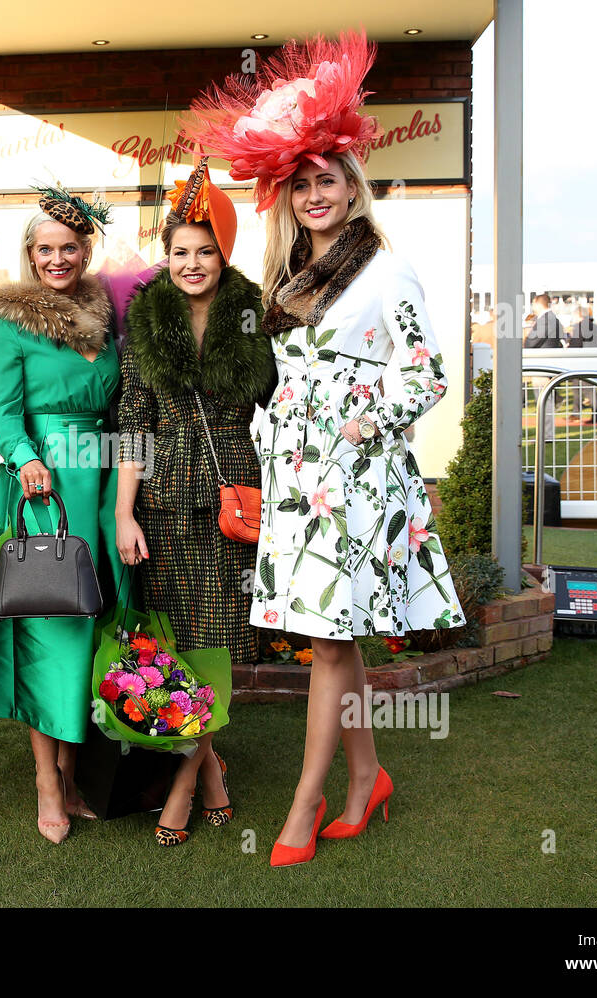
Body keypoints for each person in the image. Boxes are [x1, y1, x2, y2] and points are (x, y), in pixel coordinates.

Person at [186, 30, 464, 866]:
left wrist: (363, 418)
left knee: (330, 638)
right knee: (328, 633)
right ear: (288, 193)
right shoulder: (284, 275)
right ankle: (366, 776)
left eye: (328, 180)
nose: (315, 195)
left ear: (352, 183)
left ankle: (307, 802)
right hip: (297, 473)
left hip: (356, 474)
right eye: (301, 184)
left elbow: (428, 374)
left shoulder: (385, 270)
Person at [115, 160, 274, 846]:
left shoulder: (254, 313)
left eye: (205, 250)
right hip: (161, 499)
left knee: (218, 645)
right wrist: (123, 513)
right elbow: (132, 423)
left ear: (223, 252)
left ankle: (183, 787)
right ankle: (209, 775)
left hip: (231, 496)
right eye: (180, 251)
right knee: (177, 645)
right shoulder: (146, 318)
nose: (191, 263)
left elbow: (286, 400)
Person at [0, 183, 120, 845]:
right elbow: (3, 412)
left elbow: (120, 410)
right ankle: (46, 781)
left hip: (102, 483)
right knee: (50, 627)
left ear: (85, 250)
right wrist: (26, 457)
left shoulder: (105, 316)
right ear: (30, 256)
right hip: (45, 489)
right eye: (45, 250)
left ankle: (72, 771)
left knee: (91, 626)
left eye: (69, 247)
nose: (57, 259)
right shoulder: (13, 321)